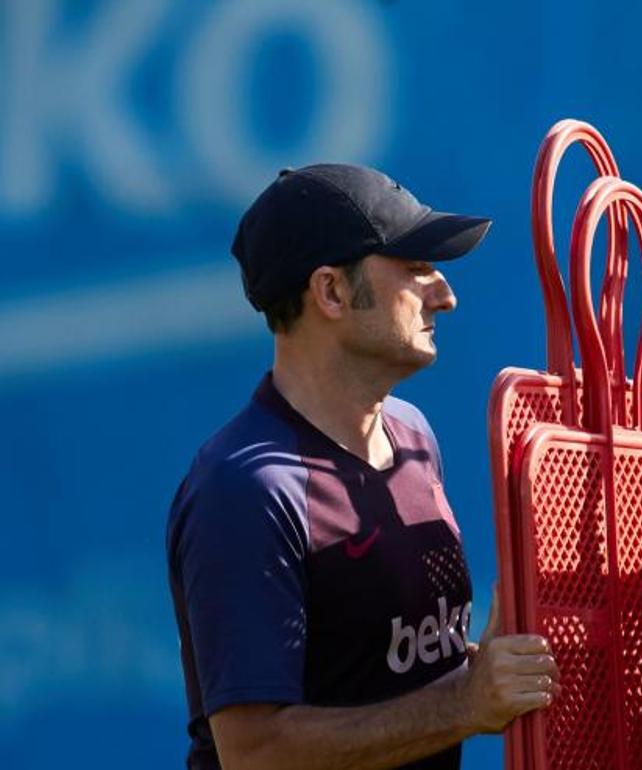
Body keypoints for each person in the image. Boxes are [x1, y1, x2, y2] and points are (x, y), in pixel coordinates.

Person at [166, 163, 559, 770]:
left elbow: (385, 672)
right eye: (417, 267)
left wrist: (483, 669)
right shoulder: (246, 487)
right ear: (331, 292)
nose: (446, 295)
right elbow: (254, 753)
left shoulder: (414, 434)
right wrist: (464, 702)